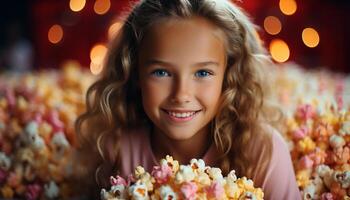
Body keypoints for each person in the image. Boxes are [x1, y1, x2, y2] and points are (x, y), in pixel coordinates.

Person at [75, 0, 301, 199]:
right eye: (161, 72)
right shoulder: (117, 150)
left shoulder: (262, 151)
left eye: (202, 73)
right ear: (134, 74)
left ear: (230, 76)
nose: (181, 94)